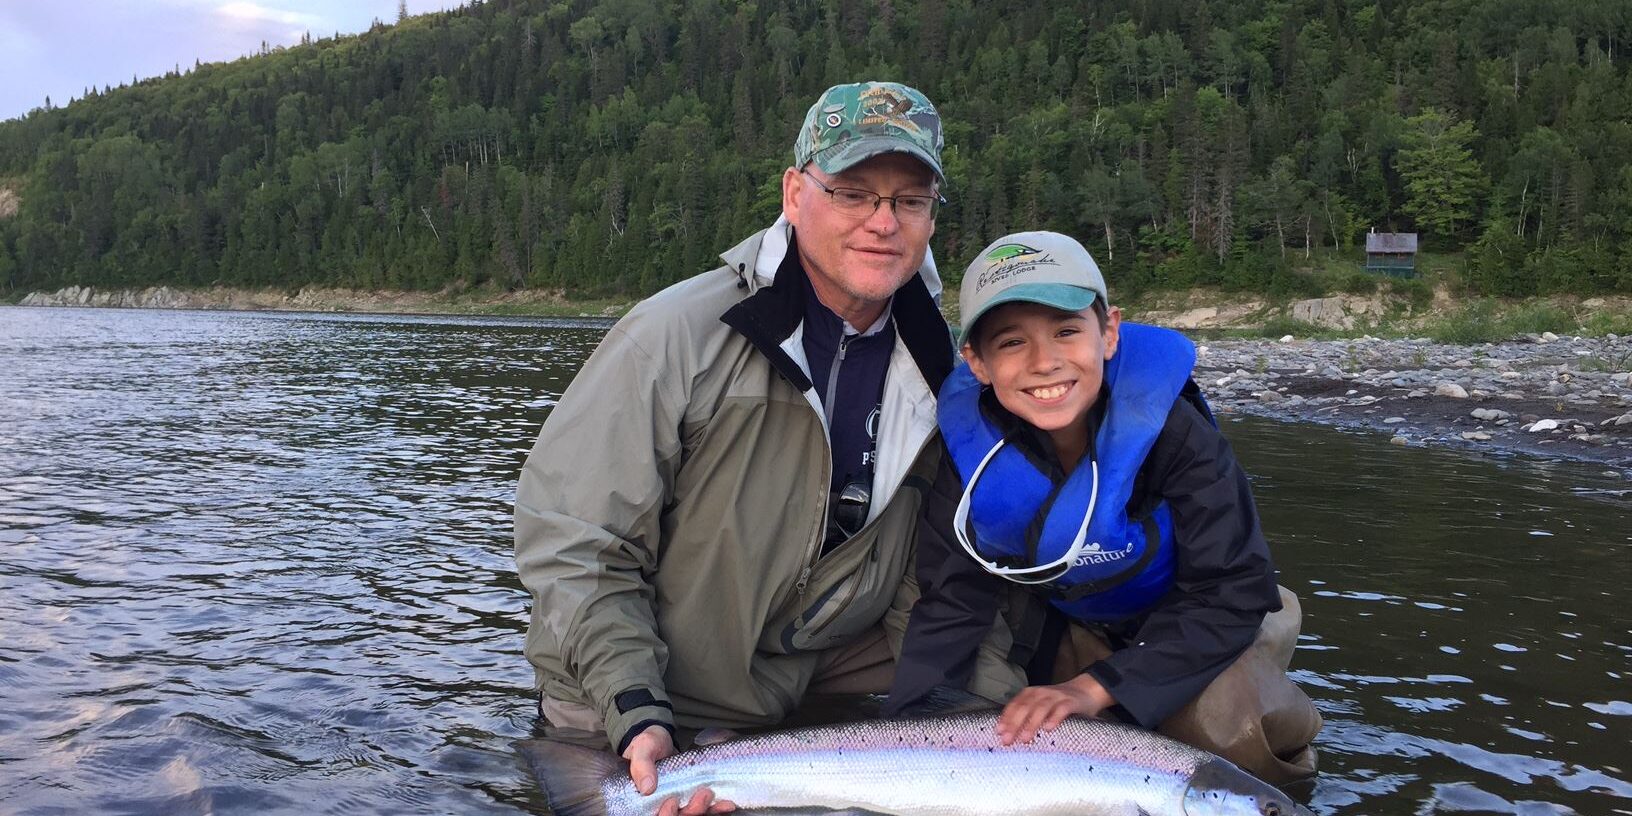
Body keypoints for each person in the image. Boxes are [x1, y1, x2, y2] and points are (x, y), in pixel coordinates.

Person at [514, 82, 1025, 815]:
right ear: (794, 192)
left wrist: (990, 728)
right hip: (637, 681)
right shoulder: (674, 336)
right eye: (853, 193)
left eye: (910, 200)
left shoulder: (944, 367)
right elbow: (576, 546)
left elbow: (933, 581)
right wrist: (636, 710)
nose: (884, 222)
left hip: (810, 663)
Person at [885, 231, 1323, 786]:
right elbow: (953, 601)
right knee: (997, 731)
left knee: (1233, 736)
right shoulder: (971, 449)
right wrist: (908, 732)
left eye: (1067, 331)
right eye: (1012, 342)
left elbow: (1233, 590)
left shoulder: (1174, 431)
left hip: (1198, 620)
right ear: (976, 362)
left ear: (1109, 332)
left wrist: (1093, 690)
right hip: (1068, 619)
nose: (1045, 362)